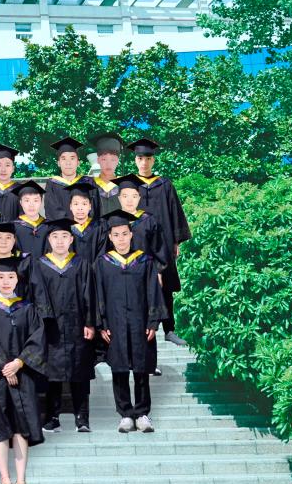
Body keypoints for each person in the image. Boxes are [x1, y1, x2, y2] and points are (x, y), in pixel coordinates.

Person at [0, 257, 46, 484]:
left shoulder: (27, 308)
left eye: (11, 277)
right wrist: (5, 369)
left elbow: (37, 338)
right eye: (1, 277)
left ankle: (21, 481)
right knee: (0, 430)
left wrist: (18, 363)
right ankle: (6, 481)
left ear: (18, 279)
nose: (6, 281)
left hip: (23, 376)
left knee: (21, 429)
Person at [95, 210, 168, 434]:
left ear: (131, 234)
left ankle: (142, 413)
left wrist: (153, 322)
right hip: (115, 323)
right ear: (110, 237)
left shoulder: (144, 261)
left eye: (124, 234)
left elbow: (153, 292)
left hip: (140, 323)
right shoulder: (103, 263)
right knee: (119, 369)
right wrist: (101, 324)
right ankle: (126, 414)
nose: (121, 239)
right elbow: (98, 295)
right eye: (116, 235)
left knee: (141, 368)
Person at [30, 218, 96, 434]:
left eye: (64, 236)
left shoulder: (81, 263)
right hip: (51, 327)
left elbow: (89, 294)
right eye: (55, 237)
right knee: (52, 373)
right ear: (49, 240)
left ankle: (82, 417)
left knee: (80, 372)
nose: (60, 241)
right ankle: (52, 417)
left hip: (77, 325)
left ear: (71, 240)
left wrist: (89, 322)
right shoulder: (40, 265)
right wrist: (44, 322)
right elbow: (38, 295)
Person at [127, 138, 191, 347]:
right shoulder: (129, 185)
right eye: (140, 158)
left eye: (148, 159)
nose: (144, 162)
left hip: (163, 243)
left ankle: (169, 329)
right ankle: (140, 329)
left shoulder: (164, 184)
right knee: (138, 286)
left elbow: (174, 212)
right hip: (138, 243)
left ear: (153, 160)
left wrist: (176, 241)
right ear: (135, 160)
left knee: (165, 286)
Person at [44, 137, 100, 220]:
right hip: (61, 227)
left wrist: (83, 225)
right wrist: (70, 225)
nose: (68, 163)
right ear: (58, 163)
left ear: (78, 163)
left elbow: (95, 209)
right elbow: (51, 210)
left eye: (72, 158)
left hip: (86, 227)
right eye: (63, 158)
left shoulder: (89, 182)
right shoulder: (52, 184)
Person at [10, 180, 50, 259]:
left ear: (41, 202)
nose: (31, 205)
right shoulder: (12, 227)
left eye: (36, 200)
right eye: (27, 200)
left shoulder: (49, 226)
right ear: (21, 202)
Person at [90, 132, 124, 214]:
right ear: (98, 160)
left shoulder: (124, 187)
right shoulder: (89, 187)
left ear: (117, 161)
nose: (108, 164)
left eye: (113, 160)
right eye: (104, 159)